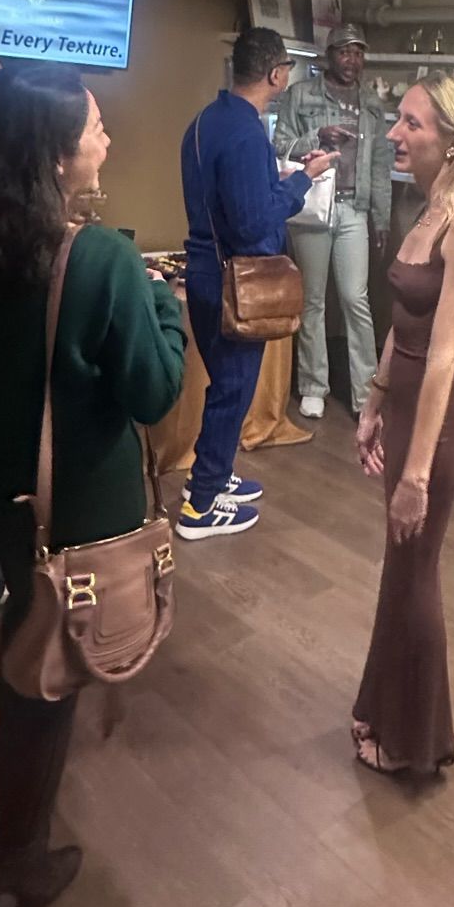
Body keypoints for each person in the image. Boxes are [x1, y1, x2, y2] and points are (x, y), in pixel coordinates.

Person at [0, 63, 185, 907]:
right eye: (96, 126)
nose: (107, 139)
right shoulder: (98, 257)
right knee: (61, 660)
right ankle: (17, 856)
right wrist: (168, 307)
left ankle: (18, 827)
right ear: (53, 153)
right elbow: (153, 391)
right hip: (80, 507)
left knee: (28, 633)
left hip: (0, 493)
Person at [351, 74, 454, 775]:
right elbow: (403, 322)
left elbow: (446, 355)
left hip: (444, 421)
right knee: (398, 567)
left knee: (416, 568)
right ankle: (382, 709)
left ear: (453, 141)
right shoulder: (426, 209)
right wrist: (373, 398)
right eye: (400, 120)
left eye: (411, 123)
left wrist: (416, 474)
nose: (395, 132)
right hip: (407, 401)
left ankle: (417, 741)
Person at [179, 27, 335, 540]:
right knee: (232, 388)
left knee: (227, 384)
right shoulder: (246, 132)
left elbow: (229, 199)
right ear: (275, 73)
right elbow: (250, 223)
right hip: (235, 282)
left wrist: (288, 175)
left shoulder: (208, 121)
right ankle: (201, 506)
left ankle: (214, 476)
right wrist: (300, 183)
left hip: (205, 269)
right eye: (287, 68)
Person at [274, 23, 393, 419]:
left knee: (355, 299)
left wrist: (381, 216)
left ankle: (365, 393)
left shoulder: (372, 104)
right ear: (329, 56)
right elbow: (280, 148)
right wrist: (316, 137)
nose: (352, 60)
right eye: (344, 52)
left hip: (354, 208)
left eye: (358, 52)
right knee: (312, 299)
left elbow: (380, 164)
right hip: (310, 205)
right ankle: (313, 385)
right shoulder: (300, 94)